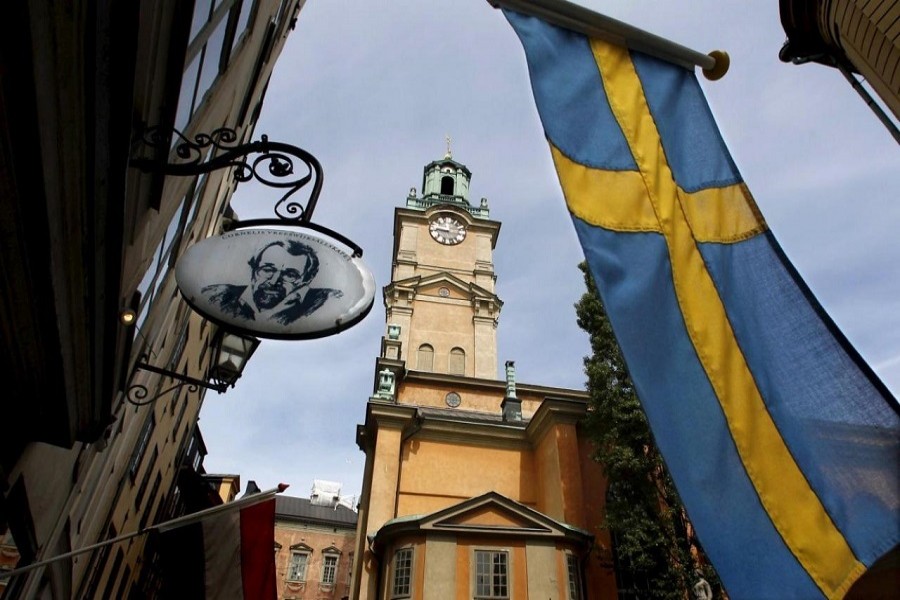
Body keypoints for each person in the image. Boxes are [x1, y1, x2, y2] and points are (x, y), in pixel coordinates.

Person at [202, 239, 342, 325]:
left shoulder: (326, 302)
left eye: (290, 275)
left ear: (305, 280)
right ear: (253, 269)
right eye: (267, 269)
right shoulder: (217, 295)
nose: (274, 281)